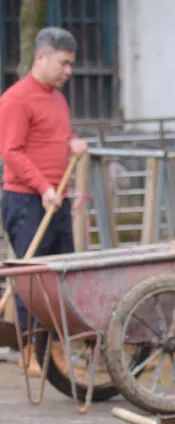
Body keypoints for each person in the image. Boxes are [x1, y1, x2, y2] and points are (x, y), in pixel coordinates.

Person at [0, 27, 87, 373]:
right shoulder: (16, 99)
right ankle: (28, 351)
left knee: (61, 276)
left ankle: (56, 349)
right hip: (26, 201)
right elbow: (11, 151)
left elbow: (60, 136)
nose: (69, 72)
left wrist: (74, 143)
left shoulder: (57, 98)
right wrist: (42, 187)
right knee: (30, 277)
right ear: (41, 57)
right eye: (63, 64)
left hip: (57, 199)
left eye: (71, 65)